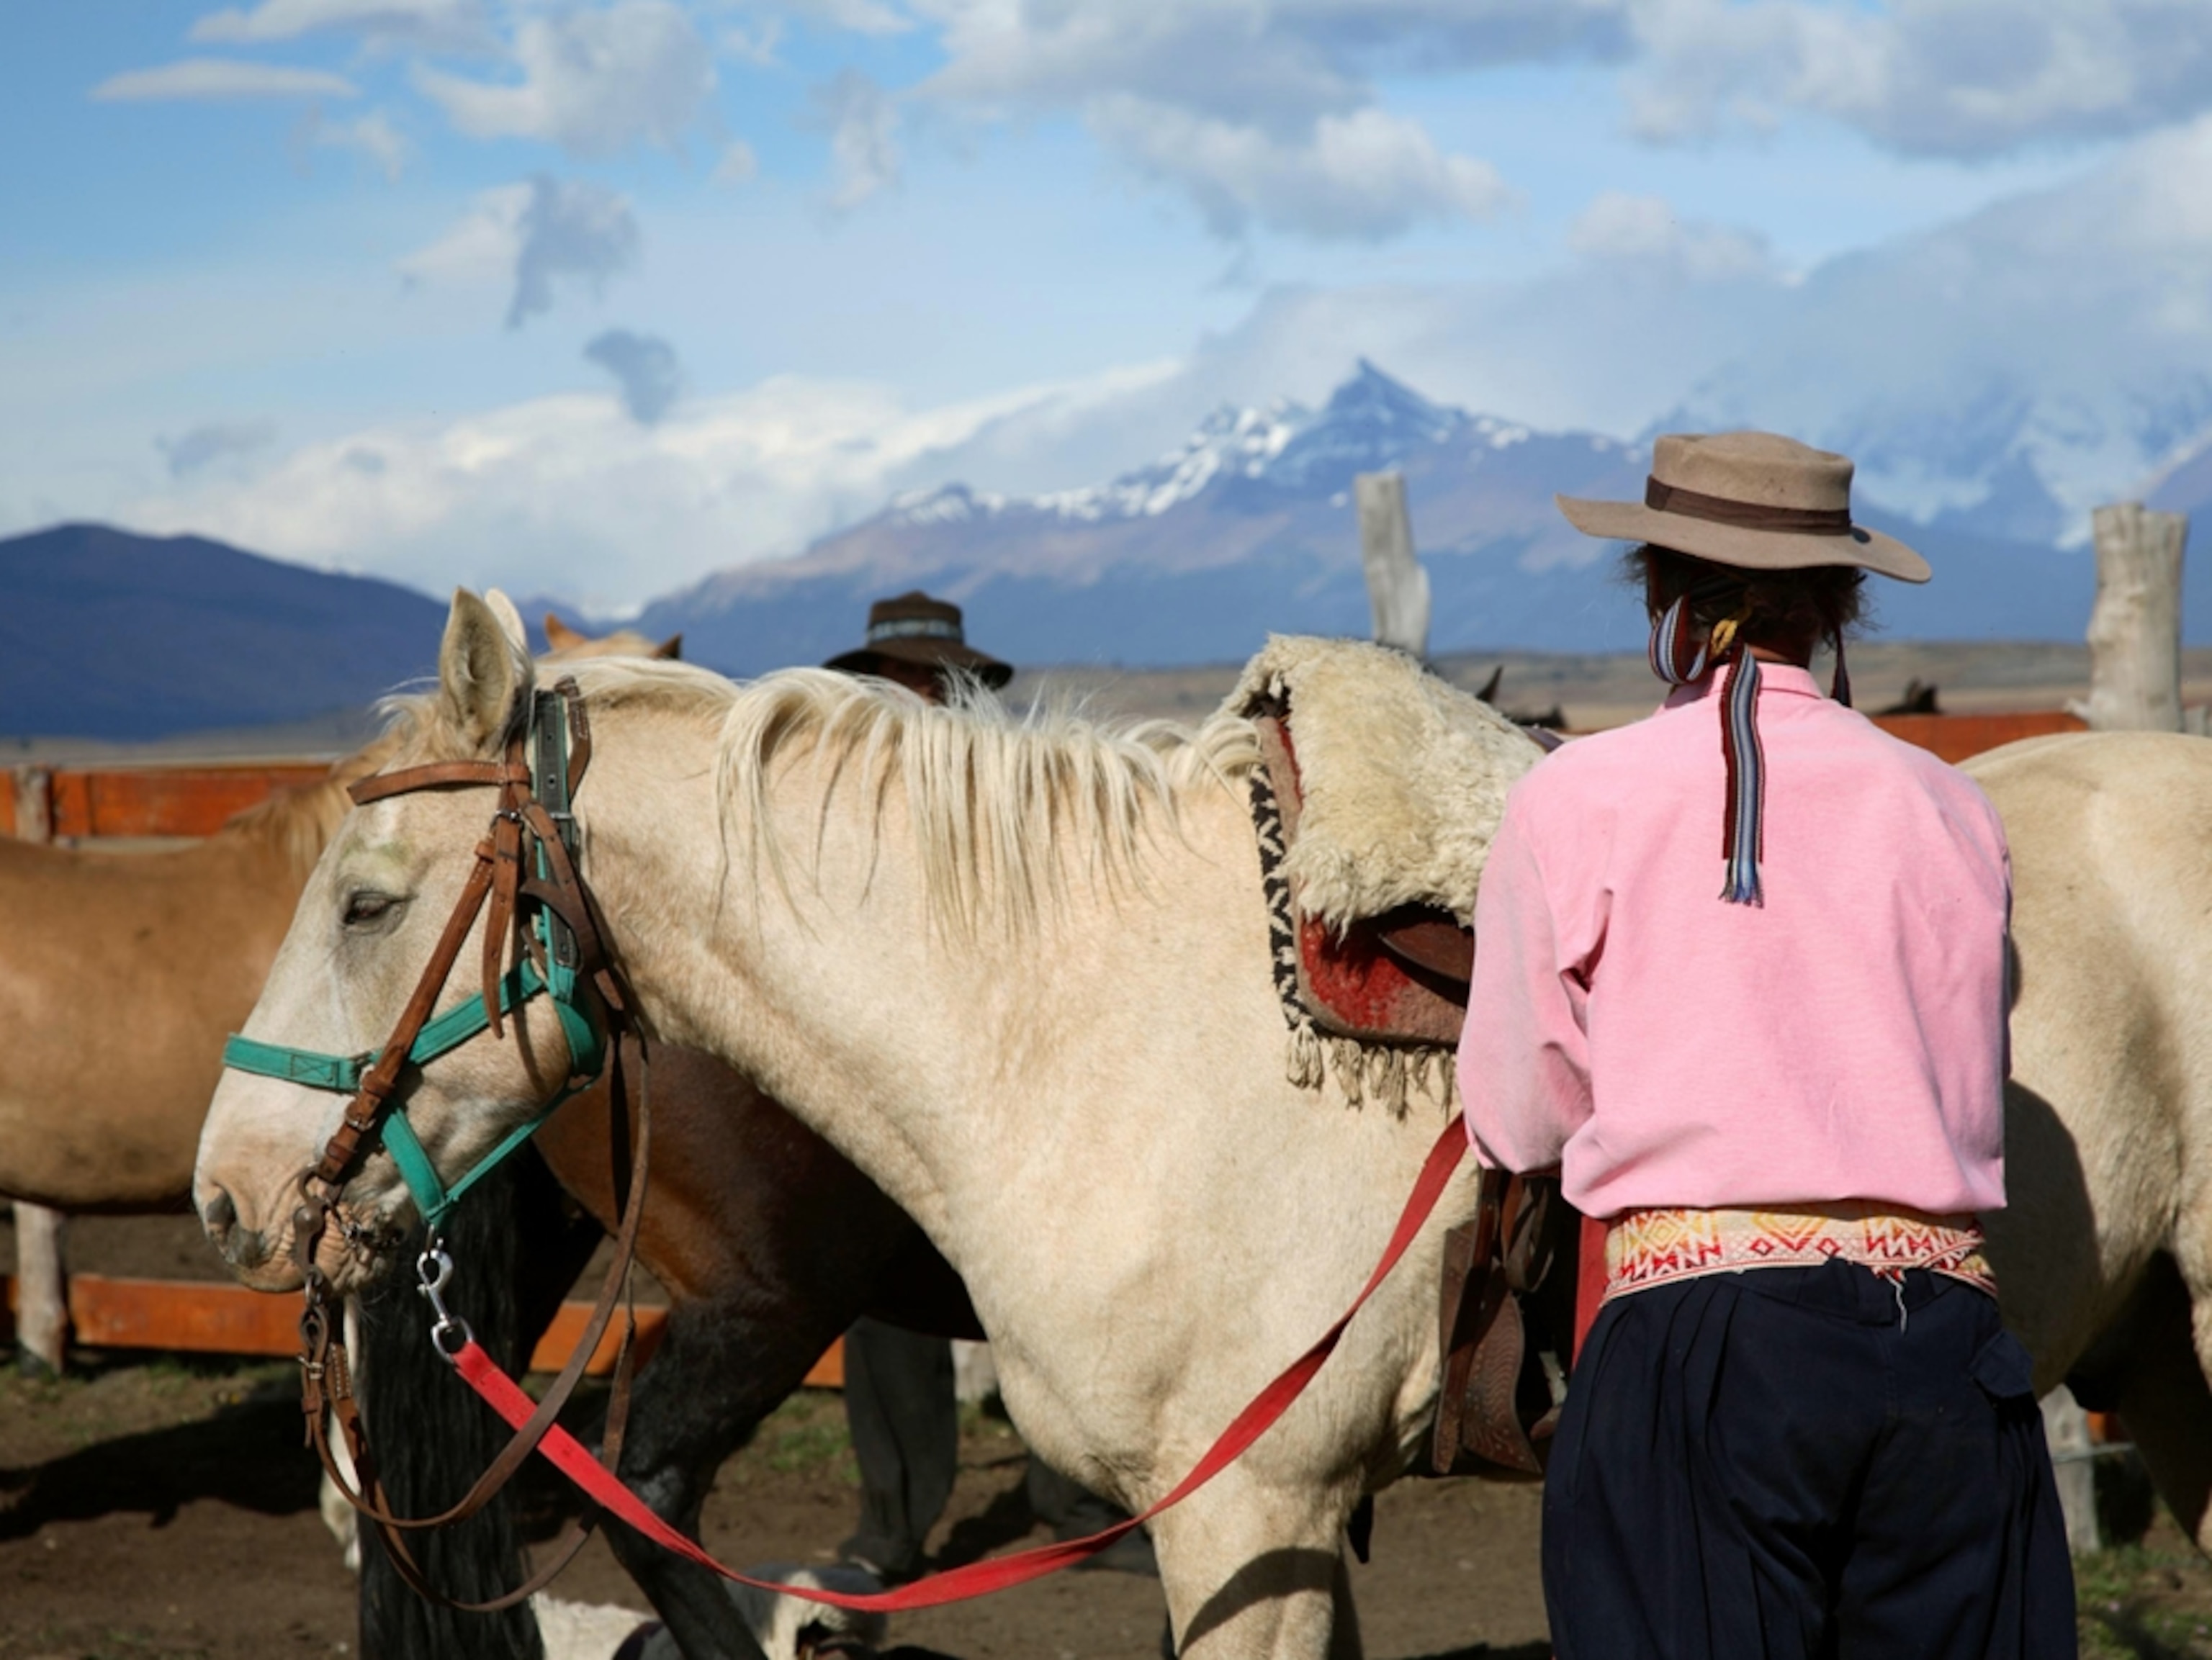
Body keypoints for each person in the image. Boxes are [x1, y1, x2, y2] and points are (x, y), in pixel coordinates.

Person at [1455, 432, 2072, 1659]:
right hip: (1946, 1346)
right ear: (1842, 605)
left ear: (1662, 598)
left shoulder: (1578, 797)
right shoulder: (1953, 806)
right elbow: (1974, 1058)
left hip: (1702, 1347)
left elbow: (1522, 1117)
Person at [824, 592, 1155, 1584]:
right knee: (887, 1301)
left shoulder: (1003, 791)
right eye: (912, 677)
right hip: (888, 1078)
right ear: (878, 683)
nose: (927, 693)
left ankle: (1079, 1505)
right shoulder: (840, 802)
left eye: (940, 678)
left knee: (1047, 1294)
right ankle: (891, 1526)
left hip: (1010, 1075)